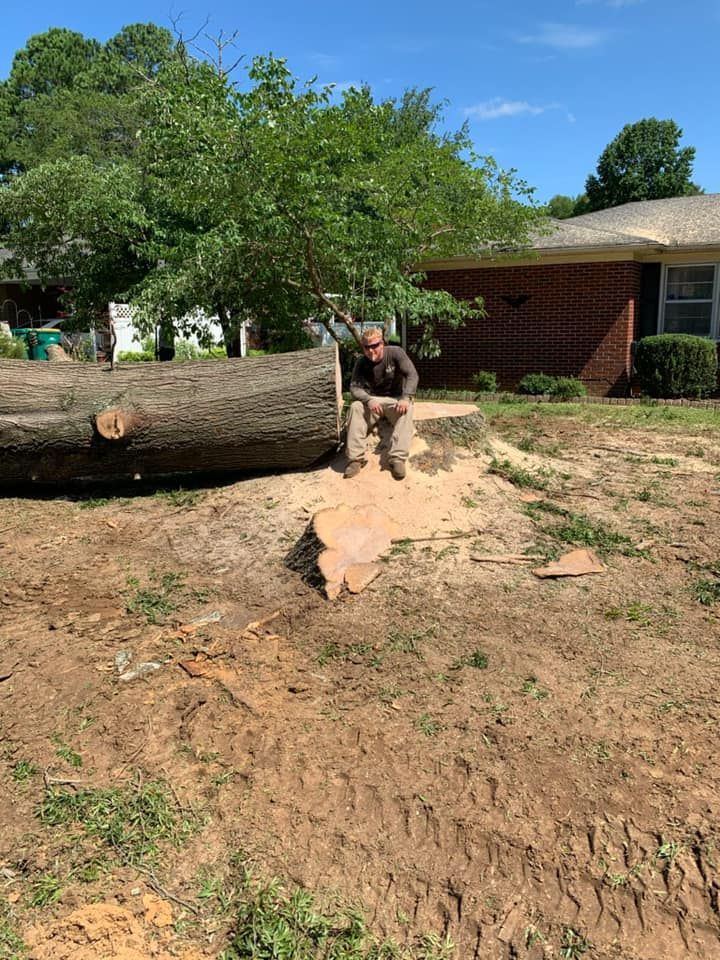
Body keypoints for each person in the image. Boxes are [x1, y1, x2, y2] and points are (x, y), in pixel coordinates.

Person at [344, 327, 419, 480]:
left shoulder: (396, 353)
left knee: (409, 408)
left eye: (375, 345)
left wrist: (406, 397)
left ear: (382, 343)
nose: (371, 350)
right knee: (355, 407)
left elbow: (412, 375)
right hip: (373, 402)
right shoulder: (361, 362)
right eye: (367, 347)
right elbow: (354, 387)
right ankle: (355, 459)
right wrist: (368, 400)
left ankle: (397, 458)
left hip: (395, 401)